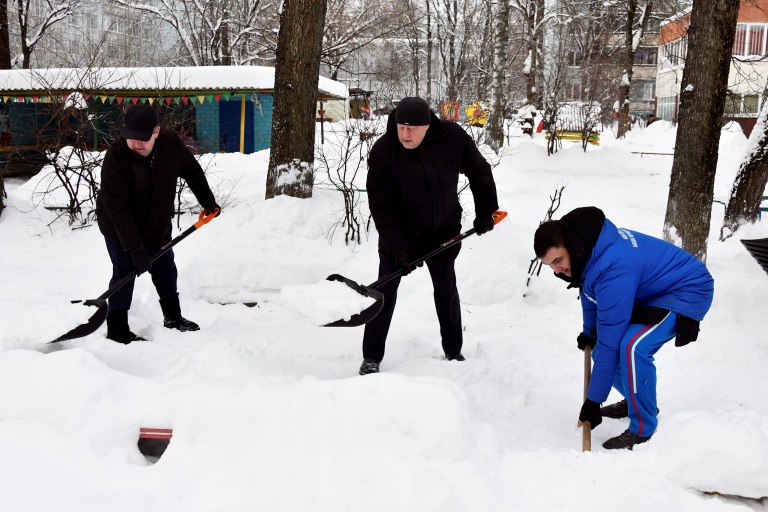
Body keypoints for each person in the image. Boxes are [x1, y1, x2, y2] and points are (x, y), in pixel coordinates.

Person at [533, 207, 714, 450]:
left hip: (688, 290)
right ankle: (636, 400)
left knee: (632, 347)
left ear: (571, 246)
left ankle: (643, 427)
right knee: (599, 350)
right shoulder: (588, 252)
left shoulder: (612, 265)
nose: (557, 270)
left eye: (558, 261)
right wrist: (590, 333)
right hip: (655, 291)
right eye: (550, 266)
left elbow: (611, 336)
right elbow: (590, 295)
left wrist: (593, 401)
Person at [359, 96, 499, 375]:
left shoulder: (451, 138)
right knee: (383, 291)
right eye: (400, 127)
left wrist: (486, 211)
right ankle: (371, 355)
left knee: (446, 287)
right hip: (398, 233)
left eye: (412, 128)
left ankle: (453, 349)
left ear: (427, 126)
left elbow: (479, 171)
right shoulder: (384, 151)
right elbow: (381, 205)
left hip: (442, 228)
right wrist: (398, 248)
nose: (404, 134)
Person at [96, 104, 220, 344]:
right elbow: (117, 208)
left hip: (157, 223)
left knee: (165, 270)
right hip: (119, 228)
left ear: (156, 132)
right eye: (131, 137)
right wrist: (135, 249)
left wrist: (208, 202)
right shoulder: (116, 157)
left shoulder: (171, 144)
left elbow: (192, 171)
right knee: (125, 272)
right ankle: (117, 329)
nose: (136, 144)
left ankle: (173, 318)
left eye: (142, 138)